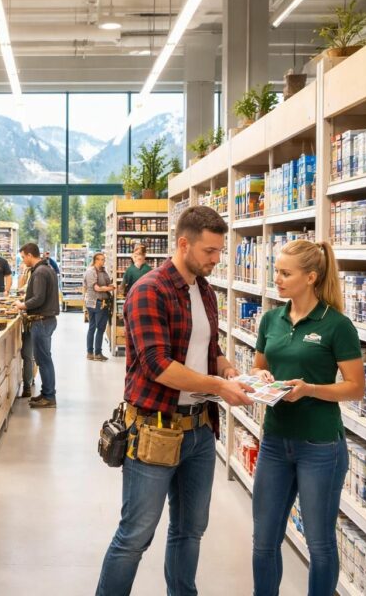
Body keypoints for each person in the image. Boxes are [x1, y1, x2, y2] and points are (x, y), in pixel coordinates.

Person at [96, 206, 254, 596]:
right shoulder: (149, 289)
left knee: (190, 531)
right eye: (210, 251)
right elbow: (157, 366)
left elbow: (207, 348)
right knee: (135, 535)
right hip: (154, 430)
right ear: (183, 244)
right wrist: (218, 387)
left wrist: (229, 369)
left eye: (219, 251)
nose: (217, 259)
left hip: (199, 430)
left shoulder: (204, 290)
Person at [250, 240, 364, 596]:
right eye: (277, 271)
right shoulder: (271, 319)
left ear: (311, 277)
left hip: (320, 445)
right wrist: (261, 380)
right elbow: (257, 368)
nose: (278, 279)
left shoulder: (336, 325)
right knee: (263, 540)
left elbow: (355, 388)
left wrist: (310, 389)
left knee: (319, 543)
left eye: (286, 273)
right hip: (274, 441)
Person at [15, 243, 59, 408]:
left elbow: (38, 298)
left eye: (23, 257)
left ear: (29, 255)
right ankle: (46, 393)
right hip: (46, 320)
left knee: (44, 359)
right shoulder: (47, 269)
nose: (23, 260)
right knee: (43, 358)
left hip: (41, 321)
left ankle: (49, 397)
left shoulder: (40, 272)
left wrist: (22, 305)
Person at [83, 252, 115, 362]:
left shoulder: (103, 271)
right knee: (100, 328)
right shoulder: (91, 271)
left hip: (96, 302)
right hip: (97, 302)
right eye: (101, 259)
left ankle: (90, 353)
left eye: (104, 259)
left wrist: (109, 286)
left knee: (92, 327)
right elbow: (96, 288)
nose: (103, 261)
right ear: (96, 260)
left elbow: (107, 282)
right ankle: (97, 353)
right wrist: (109, 289)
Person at [16, 263, 34, 398]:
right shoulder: (29, 278)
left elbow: (27, 295)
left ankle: (27, 386)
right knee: (28, 354)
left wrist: (21, 305)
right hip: (27, 320)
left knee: (27, 354)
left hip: (30, 322)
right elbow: (20, 289)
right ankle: (27, 382)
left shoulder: (35, 279)